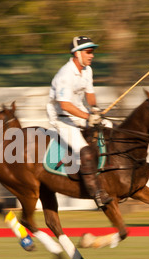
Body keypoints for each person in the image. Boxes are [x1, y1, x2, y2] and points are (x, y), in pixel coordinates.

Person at [46, 36, 112, 208]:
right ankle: (96, 193)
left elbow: (90, 93)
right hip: (62, 117)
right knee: (85, 151)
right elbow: (64, 105)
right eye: (88, 52)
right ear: (77, 54)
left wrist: (94, 109)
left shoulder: (87, 70)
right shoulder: (65, 75)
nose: (92, 56)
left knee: (111, 129)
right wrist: (88, 117)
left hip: (80, 113)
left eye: (92, 52)